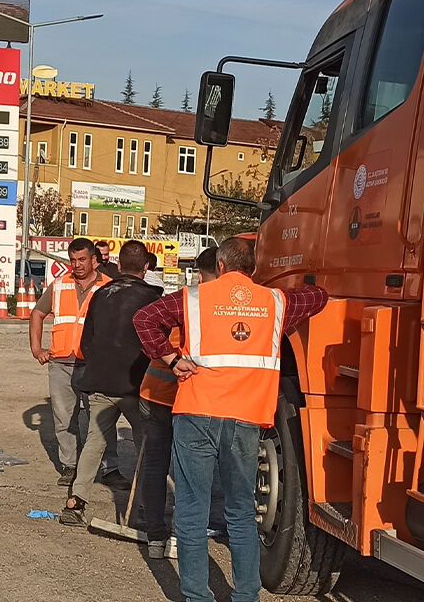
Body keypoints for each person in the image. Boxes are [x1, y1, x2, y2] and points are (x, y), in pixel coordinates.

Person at [133, 238, 327, 601]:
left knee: (192, 509)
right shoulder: (275, 302)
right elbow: (317, 298)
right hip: (246, 417)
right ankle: (246, 596)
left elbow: (144, 319)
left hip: (197, 411)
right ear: (251, 268)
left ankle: (196, 595)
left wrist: (172, 360)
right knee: (240, 511)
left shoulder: (193, 298)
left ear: (220, 266)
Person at [61, 240, 162, 526]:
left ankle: (76, 500)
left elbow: (87, 341)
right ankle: (145, 507)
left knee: (95, 441)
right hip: (137, 385)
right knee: (147, 445)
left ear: (118, 265)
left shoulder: (101, 294)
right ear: (146, 267)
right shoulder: (154, 298)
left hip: (101, 381)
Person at [136, 244, 222, 557]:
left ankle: (155, 535)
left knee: (158, 464)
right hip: (182, 397)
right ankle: (177, 536)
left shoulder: (184, 300)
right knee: (189, 469)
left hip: (157, 392)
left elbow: (147, 325)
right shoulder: (209, 305)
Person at [28, 237, 115, 486]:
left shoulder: (108, 287)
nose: (76, 265)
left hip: (95, 365)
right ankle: (70, 466)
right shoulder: (59, 285)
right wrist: (37, 348)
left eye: (82, 259)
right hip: (62, 363)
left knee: (102, 418)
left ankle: (110, 468)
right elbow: (37, 313)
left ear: (94, 261)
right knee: (64, 418)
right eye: (73, 260)